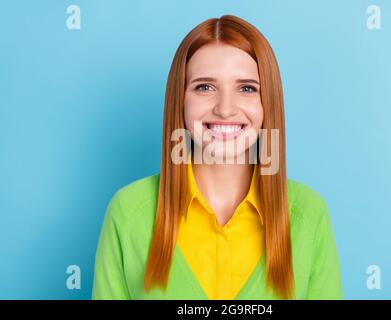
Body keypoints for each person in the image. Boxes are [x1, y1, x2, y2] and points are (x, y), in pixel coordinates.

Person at [92, 14, 343, 300]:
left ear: (267, 105)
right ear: (180, 101)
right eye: (204, 87)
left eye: (247, 88)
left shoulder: (309, 215)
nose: (225, 109)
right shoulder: (128, 213)